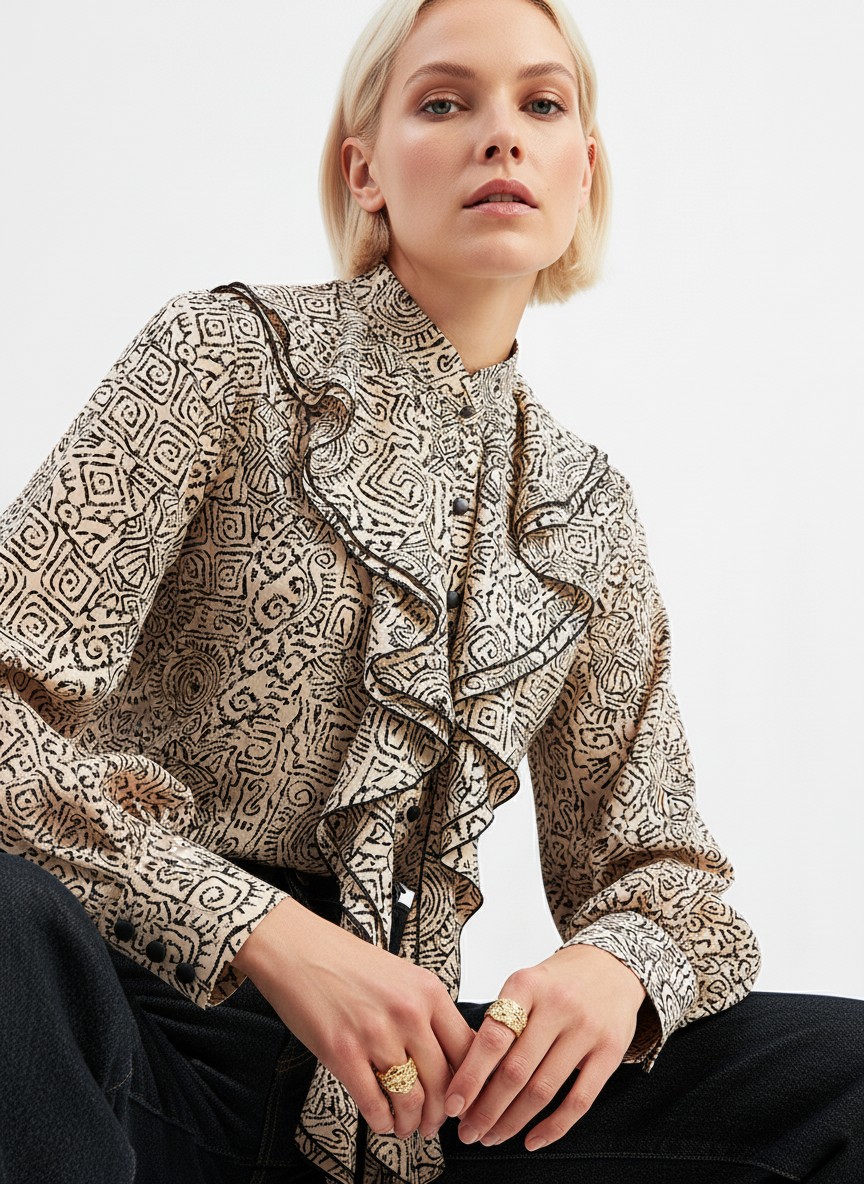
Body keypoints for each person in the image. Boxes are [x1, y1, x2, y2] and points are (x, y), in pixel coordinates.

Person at [0, 0, 861, 1182]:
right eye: (445, 101)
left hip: (406, 1102)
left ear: (583, 170)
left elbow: (667, 871)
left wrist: (617, 963)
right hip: (119, 1039)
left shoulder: (586, 509)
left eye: (541, 104)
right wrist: (259, 927)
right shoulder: (222, 358)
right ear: (364, 168)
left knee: (844, 1072)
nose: (500, 134)